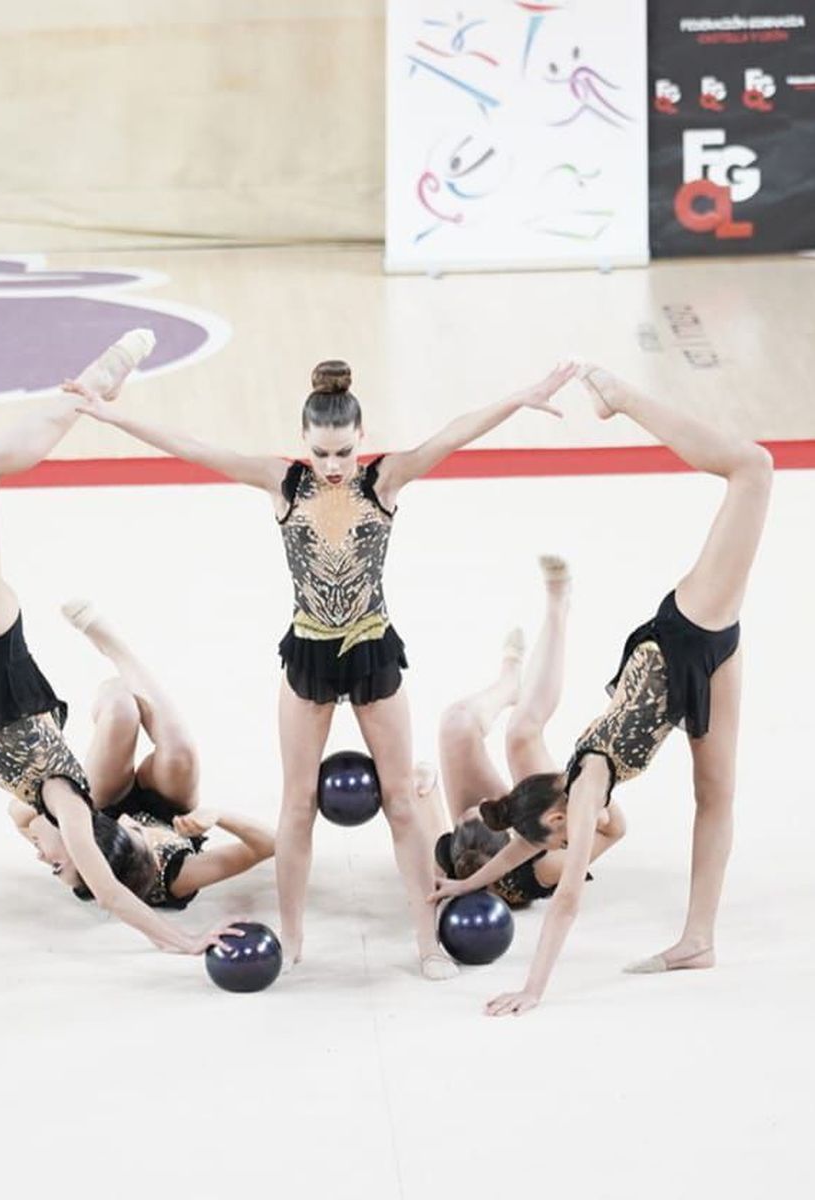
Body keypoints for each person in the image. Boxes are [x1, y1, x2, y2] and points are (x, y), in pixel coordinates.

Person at [65, 357, 577, 978]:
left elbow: (453, 434)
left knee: (401, 803)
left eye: (342, 453)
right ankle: (295, 933)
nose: (333, 467)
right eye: (322, 454)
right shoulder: (284, 483)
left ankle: (425, 940)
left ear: (361, 439)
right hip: (307, 653)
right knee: (298, 804)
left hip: (372, 651)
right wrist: (108, 414)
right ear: (304, 442)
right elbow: (194, 448)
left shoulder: (384, 481)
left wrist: (521, 395)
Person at [0, 330, 240, 969]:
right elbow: (111, 889)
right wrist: (178, 939)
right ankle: (92, 389)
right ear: (76, 835)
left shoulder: (43, 810)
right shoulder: (66, 796)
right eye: (58, 859)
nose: (45, 859)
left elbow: (90, 875)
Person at [432, 365, 772, 1015]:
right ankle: (698, 938)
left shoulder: (586, 789)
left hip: (685, 636)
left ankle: (626, 401)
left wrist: (533, 988)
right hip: (696, 680)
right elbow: (523, 853)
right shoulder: (566, 790)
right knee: (716, 795)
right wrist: (463, 884)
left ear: (558, 819)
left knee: (752, 469)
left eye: (560, 839)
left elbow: (566, 900)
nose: (567, 847)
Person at [4, 599, 276, 910]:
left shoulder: (71, 832)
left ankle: (117, 692)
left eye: (52, 864)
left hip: (102, 805)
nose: (42, 857)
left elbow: (17, 812)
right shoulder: (176, 876)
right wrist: (219, 817)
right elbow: (269, 845)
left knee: (121, 708)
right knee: (180, 755)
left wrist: (56, 822)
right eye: (56, 866)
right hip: (170, 812)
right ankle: (117, 650)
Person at [420, 556, 626, 908]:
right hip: (552, 819)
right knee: (521, 736)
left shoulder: (450, 852)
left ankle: (508, 681)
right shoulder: (545, 866)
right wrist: (596, 806)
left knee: (455, 724)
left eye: (466, 815)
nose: (477, 803)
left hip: (523, 824)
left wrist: (423, 783)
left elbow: (425, 819)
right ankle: (558, 604)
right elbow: (615, 831)